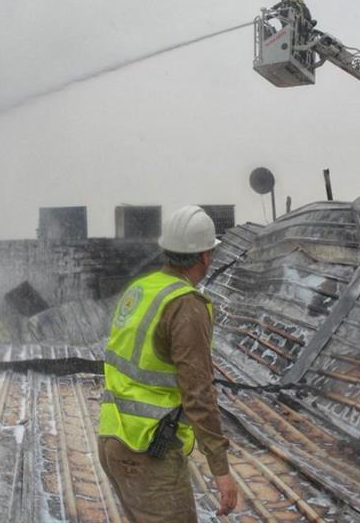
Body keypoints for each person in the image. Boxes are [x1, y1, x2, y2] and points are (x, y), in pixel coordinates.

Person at [98, 205, 238, 522]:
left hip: (113, 440)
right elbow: (198, 393)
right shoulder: (186, 304)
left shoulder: (140, 289)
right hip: (147, 454)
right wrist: (221, 470)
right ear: (205, 256)